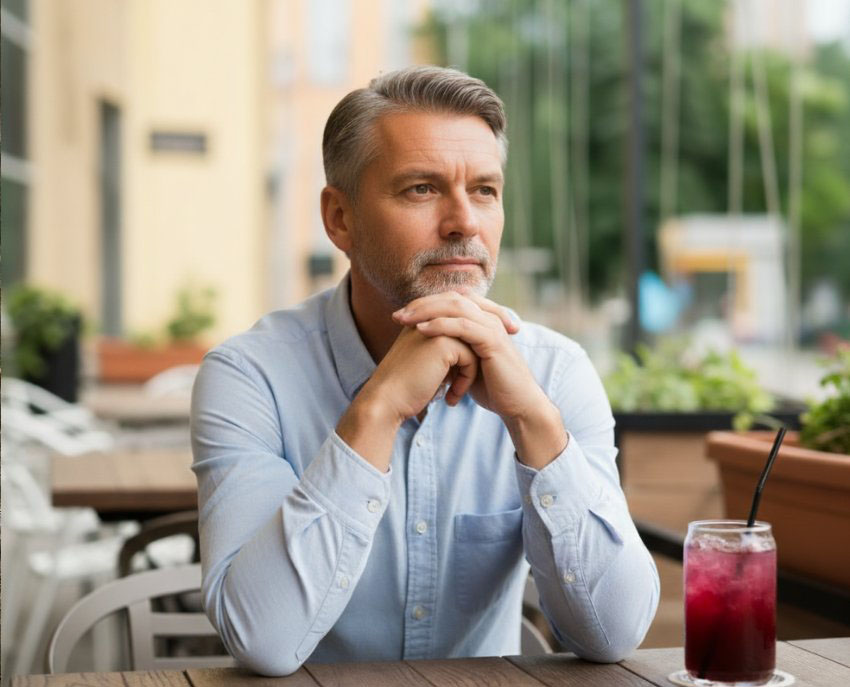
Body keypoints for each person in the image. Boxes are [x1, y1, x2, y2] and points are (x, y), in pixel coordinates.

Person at [191, 65, 659, 676]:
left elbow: (614, 633)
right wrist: (378, 407)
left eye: (485, 190)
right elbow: (262, 640)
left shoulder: (554, 371)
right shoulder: (250, 376)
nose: (464, 221)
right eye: (422, 188)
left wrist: (535, 423)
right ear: (340, 219)